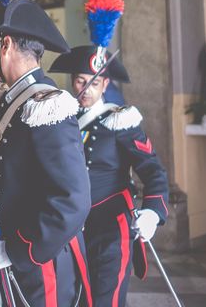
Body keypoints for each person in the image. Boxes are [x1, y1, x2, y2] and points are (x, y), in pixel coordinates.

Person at [0, 0, 91, 307]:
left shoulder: (47, 105)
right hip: (9, 261)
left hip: (37, 267)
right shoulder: (8, 99)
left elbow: (72, 199)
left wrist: (19, 249)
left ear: (5, 45)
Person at [49, 45, 169, 307]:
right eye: (80, 81)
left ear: (105, 84)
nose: (86, 89)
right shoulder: (64, 120)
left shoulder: (120, 120)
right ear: (72, 82)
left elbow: (153, 171)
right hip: (73, 230)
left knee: (106, 300)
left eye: (93, 83)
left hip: (111, 229)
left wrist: (152, 212)